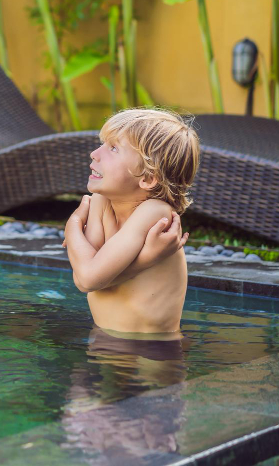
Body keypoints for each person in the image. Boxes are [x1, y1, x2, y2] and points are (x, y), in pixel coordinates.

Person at [63, 108, 200, 334]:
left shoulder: (156, 213)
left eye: (113, 148)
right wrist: (145, 260)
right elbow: (84, 277)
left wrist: (73, 225)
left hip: (154, 351)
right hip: (102, 340)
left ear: (147, 178)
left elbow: (88, 278)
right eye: (103, 144)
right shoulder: (101, 202)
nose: (95, 153)